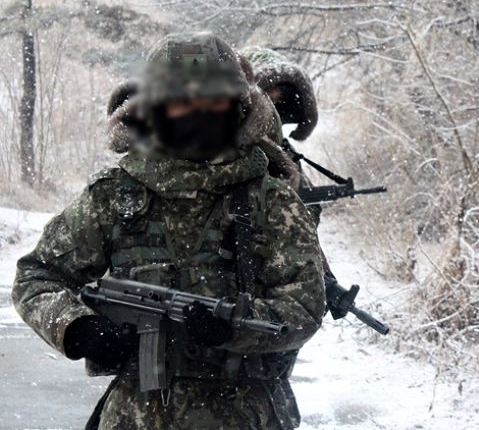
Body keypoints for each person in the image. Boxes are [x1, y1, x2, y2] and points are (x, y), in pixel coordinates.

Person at [12, 32, 326, 429]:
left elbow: (305, 305)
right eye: (181, 101)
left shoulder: (269, 200)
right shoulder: (117, 195)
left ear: (238, 106)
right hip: (136, 416)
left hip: (244, 411)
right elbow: (37, 276)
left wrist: (236, 324)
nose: (196, 112)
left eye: (212, 100)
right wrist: (76, 326)